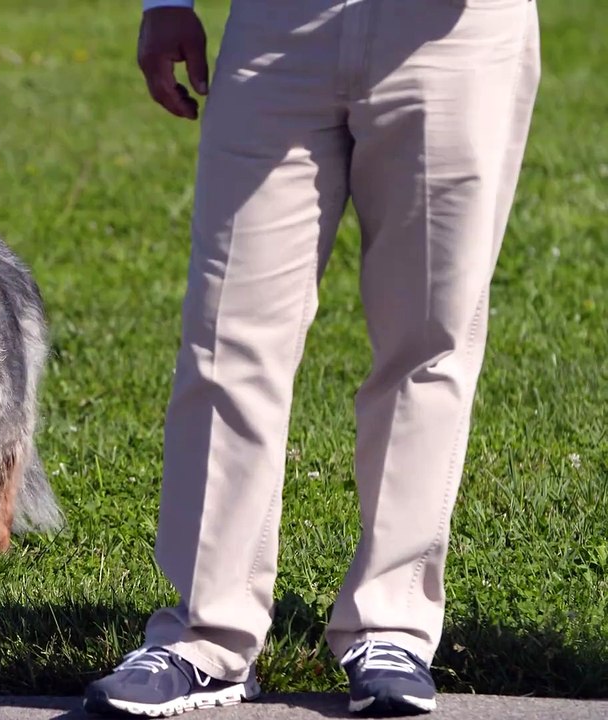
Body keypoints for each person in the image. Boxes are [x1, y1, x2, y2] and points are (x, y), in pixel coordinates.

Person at [84, 0, 540, 717]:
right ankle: (207, 637)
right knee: (228, 331)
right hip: (279, 29)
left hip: (453, 34)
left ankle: (391, 626)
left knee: (427, 339)